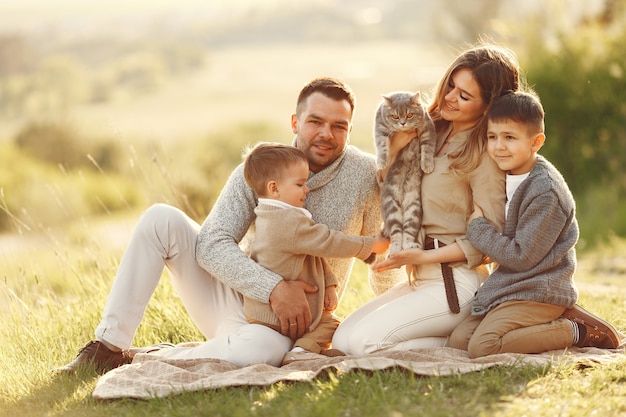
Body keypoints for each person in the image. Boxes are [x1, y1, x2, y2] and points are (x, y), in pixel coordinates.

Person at [57, 77, 403, 373]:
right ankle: (107, 347)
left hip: (292, 327)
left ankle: (149, 358)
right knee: (160, 219)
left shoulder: (366, 175)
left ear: (350, 129)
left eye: (338, 126)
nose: (326, 133)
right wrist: (272, 288)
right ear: (295, 122)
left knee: (258, 353)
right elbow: (211, 243)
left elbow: (380, 258)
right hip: (235, 302)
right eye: (315, 122)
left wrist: (392, 325)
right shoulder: (262, 167)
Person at [331, 44, 518, 355]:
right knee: (342, 340)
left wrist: (422, 257)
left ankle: (462, 341)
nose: (449, 98)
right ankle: (455, 338)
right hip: (419, 280)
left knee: (364, 343)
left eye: (464, 96)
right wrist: (392, 153)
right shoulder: (428, 129)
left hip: (456, 285)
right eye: (450, 86)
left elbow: (492, 242)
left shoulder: (485, 155)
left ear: (488, 108)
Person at [447, 91, 621, 357]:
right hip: (512, 286)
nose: (499, 146)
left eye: (510, 137)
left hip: (541, 290)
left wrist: (478, 228)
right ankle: (545, 327)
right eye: (492, 137)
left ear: (536, 142)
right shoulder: (503, 173)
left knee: (483, 346)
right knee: (460, 340)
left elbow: (522, 256)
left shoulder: (546, 192)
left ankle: (574, 328)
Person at [241, 142, 388, 364]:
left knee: (327, 322)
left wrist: (329, 284)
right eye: (300, 184)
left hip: (265, 310)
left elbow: (312, 254)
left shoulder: (273, 215)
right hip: (274, 314)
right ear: (274, 188)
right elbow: (328, 242)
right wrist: (370, 245)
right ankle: (301, 354)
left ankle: (304, 349)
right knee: (331, 324)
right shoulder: (286, 221)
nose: (306, 188)